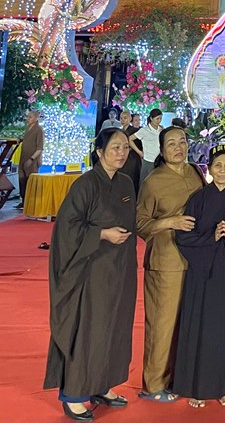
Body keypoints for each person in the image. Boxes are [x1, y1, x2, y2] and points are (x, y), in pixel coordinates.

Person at [44, 129, 136, 422]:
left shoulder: (125, 182)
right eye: (115, 147)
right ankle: (73, 395)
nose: (121, 153)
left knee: (115, 327)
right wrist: (102, 234)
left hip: (119, 269)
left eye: (125, 147)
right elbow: (67, 228)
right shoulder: (85, 184)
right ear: (99, 152)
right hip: (90, 270)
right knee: (89, 330)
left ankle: (102, 385)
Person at [173, 142, 225, 408]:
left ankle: (224, 385)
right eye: (217, 165)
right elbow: (183, 236)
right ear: (209, 169)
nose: (222, 169)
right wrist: (211, 237)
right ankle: (199, 388)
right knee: (204, 328)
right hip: (205, 273)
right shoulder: (198, 199)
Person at [135, 126, 203, 402]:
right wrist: (169, 222)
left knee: (187, 323)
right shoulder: (153, 181)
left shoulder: (195, 173)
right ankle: (154, 385)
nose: (178, 148)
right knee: (162, 324)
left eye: (182, 142)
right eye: (171, 144)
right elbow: (140, 223)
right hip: (165, 261)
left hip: (195, 259)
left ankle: (179, 377)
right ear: (162, 151)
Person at [18, 108, 44, 211]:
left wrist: (32, 159)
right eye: (27, 117)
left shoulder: (39, 130)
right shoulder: (28, 127)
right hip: (23, 157)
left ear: (36, 118)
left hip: (32, 160)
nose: (28, 118)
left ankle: (30, 203)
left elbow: (40, 148)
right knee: (22, 179)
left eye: (30, 117)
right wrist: (21, 140)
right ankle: (23, 201)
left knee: (30, 181)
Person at [130, 108, 163, 186]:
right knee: (145, 183)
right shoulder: (144, 130)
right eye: (157, 119)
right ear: (151, 118)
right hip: (148, 160)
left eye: (160, 118)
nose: (159, 121)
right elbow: (129, 139)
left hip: (159, 160)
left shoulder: (161, 129)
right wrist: (139, 152)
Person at [117, 109, 141, 195]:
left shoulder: (135, 131)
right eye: (121, 118)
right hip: (123, 157)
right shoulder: (119, 131)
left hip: (132, 158)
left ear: (130, 118)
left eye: (125, 118)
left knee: (131, 179)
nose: (122, 120)